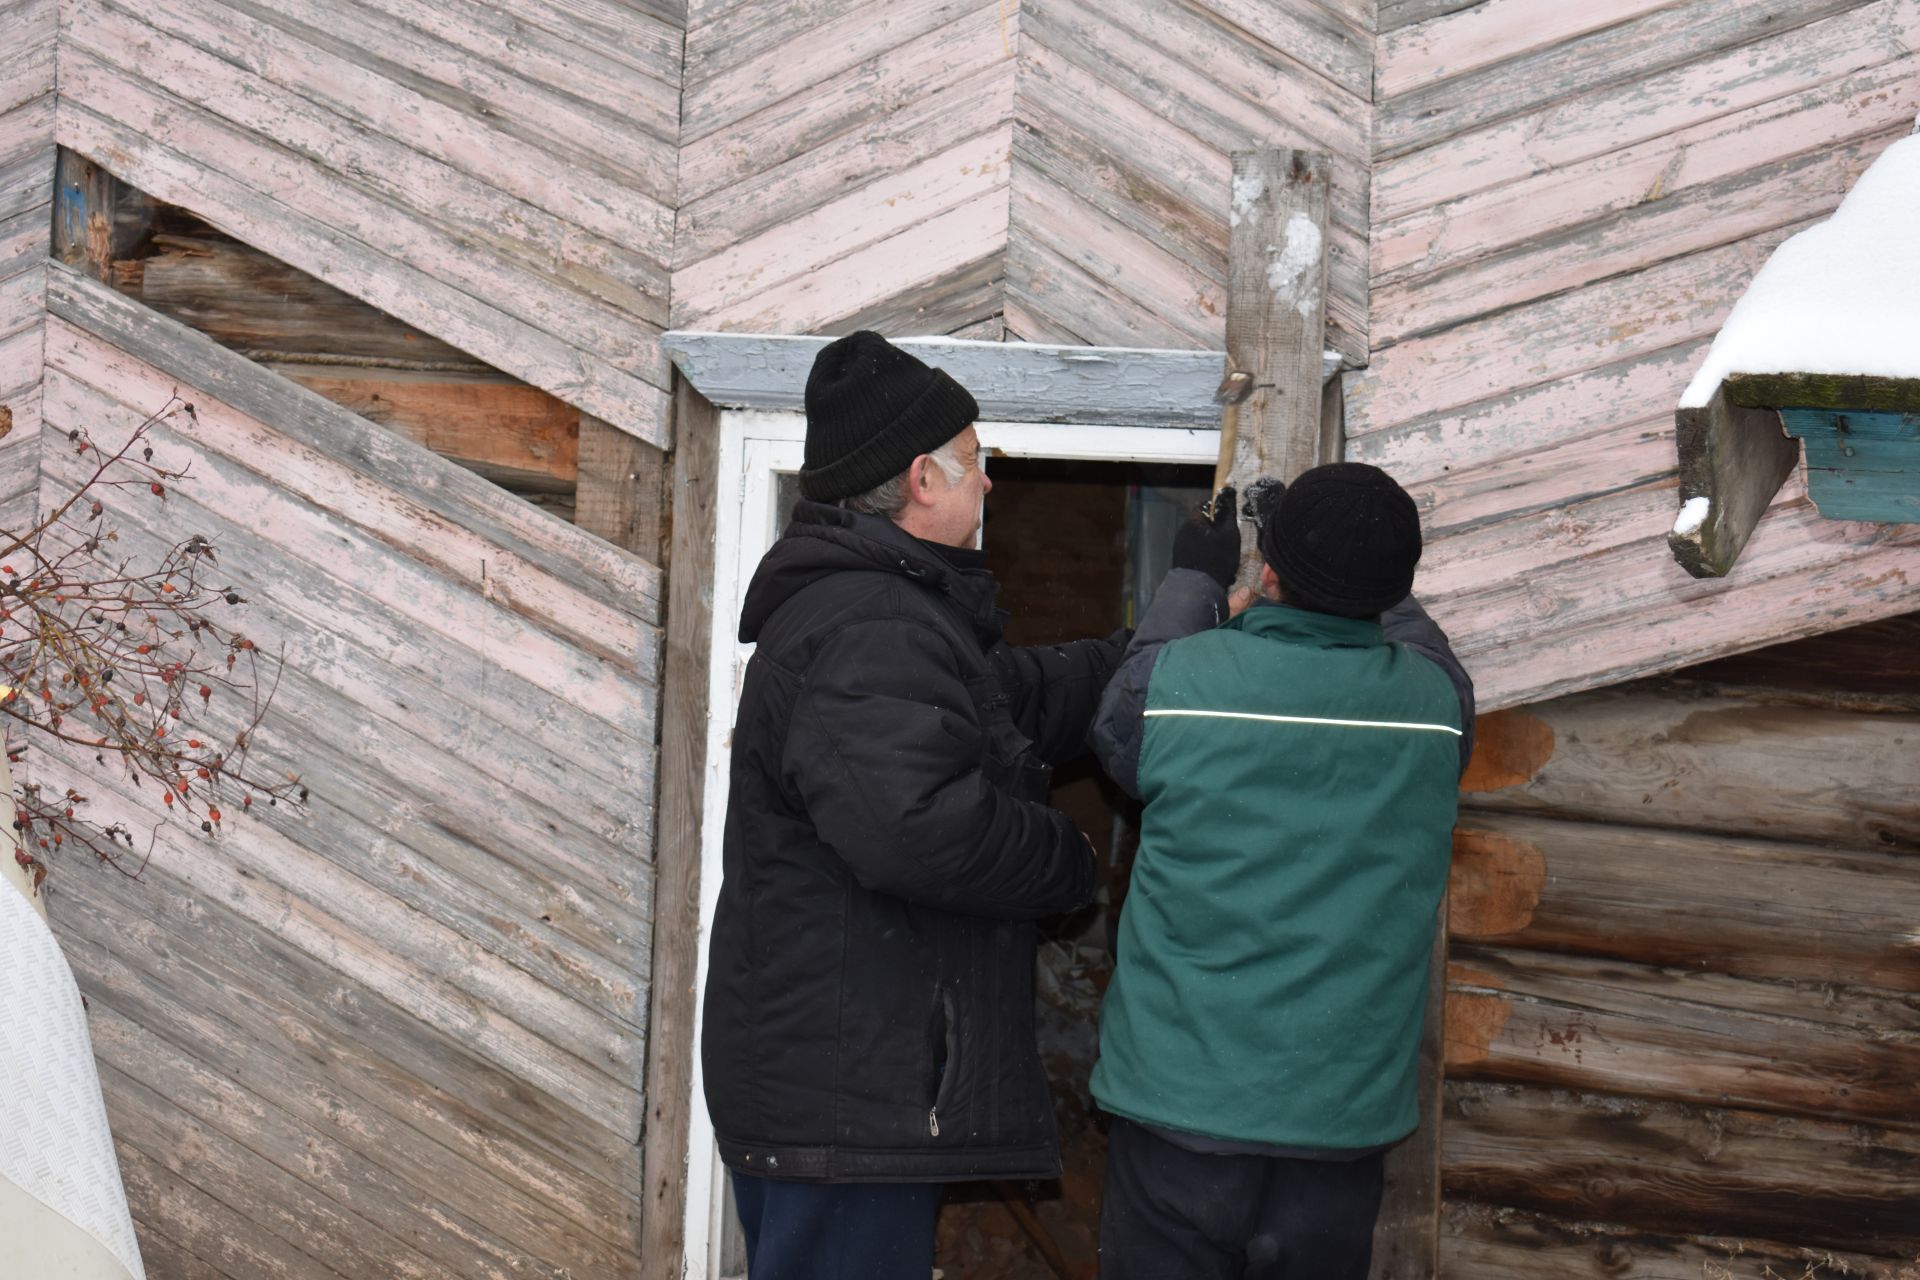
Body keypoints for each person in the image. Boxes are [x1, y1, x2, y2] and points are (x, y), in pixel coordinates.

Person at [701, 331, 1123, 1279]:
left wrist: (1154, 647)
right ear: (922, 480)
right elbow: (922, 829)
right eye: (977, 462)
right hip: (849, 1093)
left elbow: (1006, 702)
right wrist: (1069, 860)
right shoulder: (871, 623)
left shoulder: (889, 612)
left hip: (844, 1082)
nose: (989, 485)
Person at [1087, 465, 1475, 1280]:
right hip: (1338, 1118)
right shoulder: (1436, 709)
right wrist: (1334, 566)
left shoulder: (1177, 688)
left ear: (1268, 572)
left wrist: (1195, 574)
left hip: (1177, 1103)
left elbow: (1122, 720)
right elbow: (1412, 634)